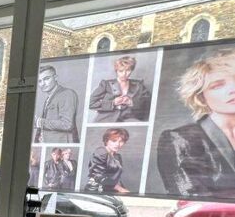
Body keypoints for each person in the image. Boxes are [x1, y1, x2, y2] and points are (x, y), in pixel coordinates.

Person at [157, 48, 235, 197]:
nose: (233, 89)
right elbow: (190, 198)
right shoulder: (180, 140)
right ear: (201, 97)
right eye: (217, 85)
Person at [88, 56, 151, 122]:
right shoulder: (106, 84)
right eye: (121, 71)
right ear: (116, 71)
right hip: (106, 119)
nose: (124, 74)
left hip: (129, 119)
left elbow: (147, 104)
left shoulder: (139, 85)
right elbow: (91, 103)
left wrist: (131, 102)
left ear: (132, 70)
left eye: (128, 70)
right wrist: (113, 103)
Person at [34, 65, 79, 143]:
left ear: (55, 77)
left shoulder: (67, 93)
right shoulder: (50, 97)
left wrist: (40, 122)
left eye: (46, 79)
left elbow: (67, 124)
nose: (43, 84)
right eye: (39, 81)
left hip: (63, 145)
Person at [85, 128, 130, 194]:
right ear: (107, 140)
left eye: (121, 141)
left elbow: (116, 179)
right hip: (96, 190)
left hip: (111, 190)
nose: (117, 144)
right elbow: (98, 175)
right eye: (114, 141)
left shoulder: (117, 156)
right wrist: (120, 189)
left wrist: (124, 190)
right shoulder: (101, 152)